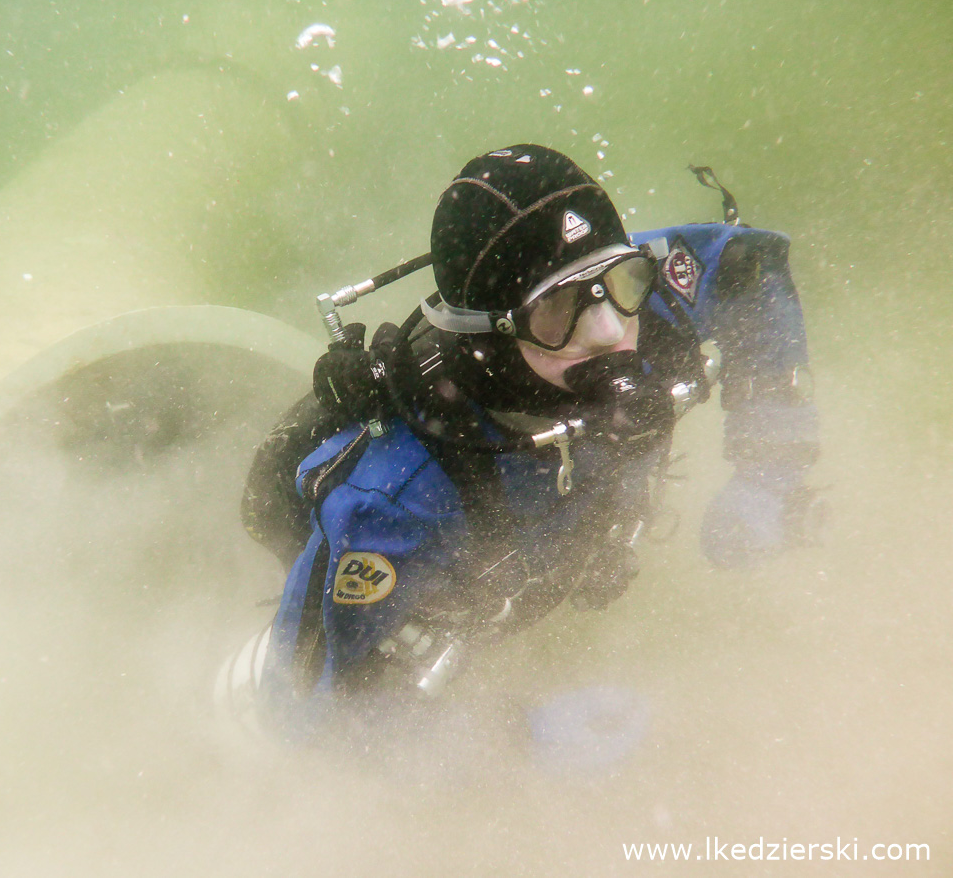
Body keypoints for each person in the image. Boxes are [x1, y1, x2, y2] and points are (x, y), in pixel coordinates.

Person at [225, 144, 819, 751]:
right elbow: (321, 719)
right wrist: (522, 742)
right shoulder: (395, 500)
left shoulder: (622, 292)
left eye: (621, 280)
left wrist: (771, 464)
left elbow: (747, 268)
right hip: (447, 599)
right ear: (490, 338)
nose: (612, 332)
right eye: (557, 310)